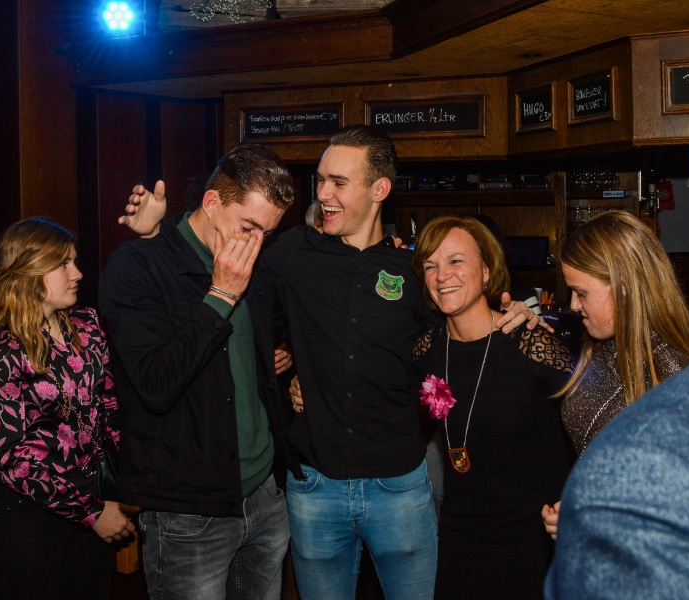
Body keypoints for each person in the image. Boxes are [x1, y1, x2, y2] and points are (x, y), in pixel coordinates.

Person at [122, 125, 541, 600]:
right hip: (314, 489)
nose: (323, 193)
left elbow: (464, 317)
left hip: (399, 488)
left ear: (379, 189)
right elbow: (209, 260)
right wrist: (156, 233)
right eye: (320, 180)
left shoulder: (412, 272)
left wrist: (520, 311)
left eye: (338, 182)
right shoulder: (288, 253)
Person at [99, 144, 297, 599]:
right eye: (249, 227)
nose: (256, 242)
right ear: (212, 203)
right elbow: (155, 383)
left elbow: (277, 333)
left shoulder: (257, 266)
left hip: (265, 497)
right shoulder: (139, 266)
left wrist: (281, 359)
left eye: (267, 233)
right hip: (188, 512)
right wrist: (221, 295)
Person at [0, 218, 133, 600]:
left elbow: (109, 409)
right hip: (26, 519)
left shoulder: (86, 325)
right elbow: (11, 459)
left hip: (93, 499)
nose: (78, 273)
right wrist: (90, 512)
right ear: (29, 273)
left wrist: (122, 484)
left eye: (74, 261)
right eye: (63, 264)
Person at [409, 216, 574, 600]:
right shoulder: (426, 350)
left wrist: (583, 499)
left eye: (455, 261)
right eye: (430, 265)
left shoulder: (531, 344)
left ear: (487, 271)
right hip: (460, 540)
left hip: (534, 541)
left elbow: (598, 421)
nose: (441, 275)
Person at [541, 210, 689, 539]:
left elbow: (685, 514)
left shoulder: (674, 378)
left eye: (581, 293)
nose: (573, 305)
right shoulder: (605, 349)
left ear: (624, 287)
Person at [545, 342, 689, 599]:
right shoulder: (597, 355)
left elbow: (686, 510)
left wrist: (592, 516)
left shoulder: (678, 373)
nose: (576, 313)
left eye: (582, 297)